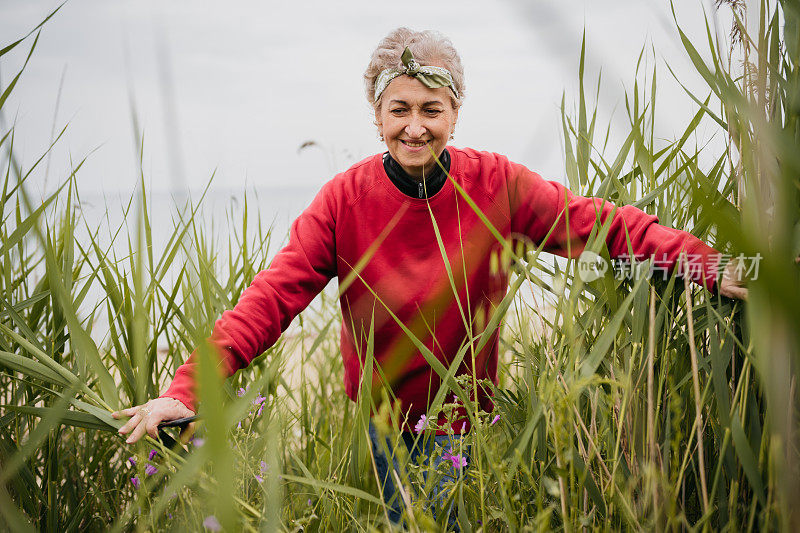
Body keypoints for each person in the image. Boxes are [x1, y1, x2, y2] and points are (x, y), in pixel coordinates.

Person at [114, 27, 747, 527]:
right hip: (384, 420)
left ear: (454, 111)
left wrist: (702, 262)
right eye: (399, 109)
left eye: (431, 109)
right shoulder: (342, 202)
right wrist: (188, 391)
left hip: (467, 418)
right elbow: (269, 300)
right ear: (376, 113)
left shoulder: (495, 184)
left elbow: (599, 225)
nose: (414, 125)